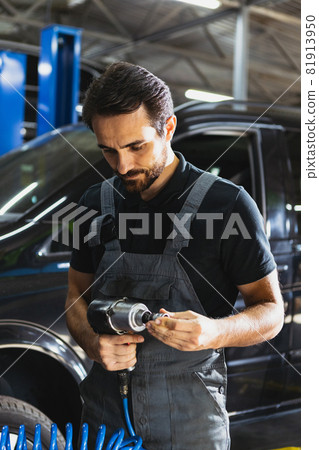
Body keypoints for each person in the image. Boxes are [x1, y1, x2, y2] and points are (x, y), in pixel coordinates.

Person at [65, 62, 284, 450]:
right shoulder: (90, 206)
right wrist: (92, 343)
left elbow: (270, 312)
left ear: (168, 128)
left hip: (192, 425)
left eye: (136, 146)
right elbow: (75, 298)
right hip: (104, 422)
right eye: (109, 151)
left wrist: (215, 331)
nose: (124, 166)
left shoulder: (228, 206)